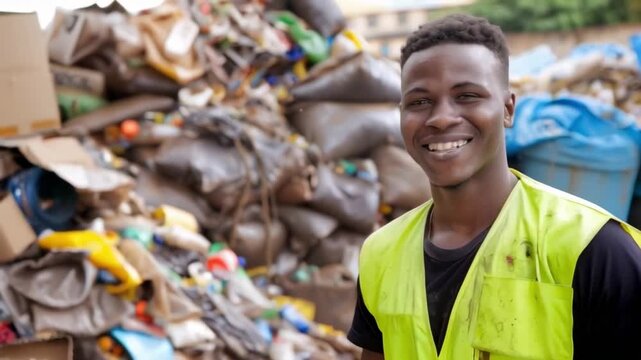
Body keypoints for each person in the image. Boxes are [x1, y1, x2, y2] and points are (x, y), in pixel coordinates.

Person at [348, 14, 641, 360]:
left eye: (468, 96)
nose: (441, 118)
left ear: (507, 109)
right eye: (420, 102)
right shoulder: (381, 253)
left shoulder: (594, 249)